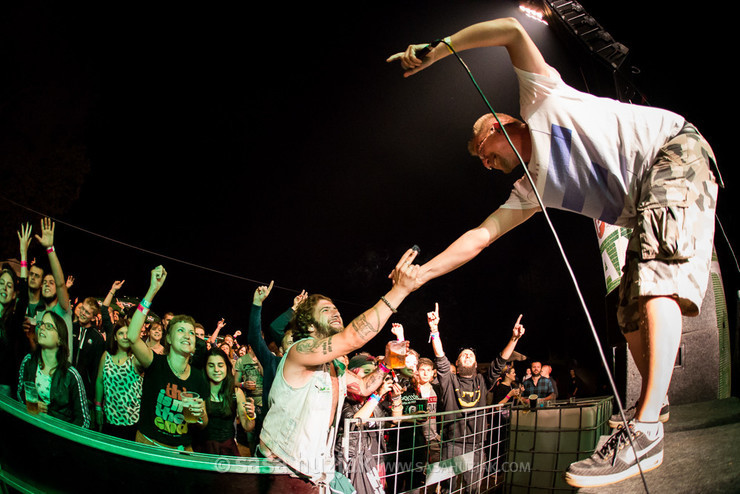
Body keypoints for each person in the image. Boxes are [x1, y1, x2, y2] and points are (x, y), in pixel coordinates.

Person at [387, 16, 718, 487]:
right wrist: (422, 275)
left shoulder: (541, 98)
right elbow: (481, 237)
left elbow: (510, 31)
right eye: (482, 161)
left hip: (672, 153)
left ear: (503, 125)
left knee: (655, 281)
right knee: (628, 310)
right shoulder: (529, 188)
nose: (486, 163)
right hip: (645, 195)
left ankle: (644, 430)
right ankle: (656, 401)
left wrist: (437, 51)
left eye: (484, 150)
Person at [258, 248, 422, 493]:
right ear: (311, 327)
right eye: (325, 310)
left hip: (313, 471)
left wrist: (386, 363)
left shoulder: (333, 367)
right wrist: (399, 291)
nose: (335, 312)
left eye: (336, 309)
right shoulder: (299, 351)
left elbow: (365, 386)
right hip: (282, 468)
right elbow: (352, 337)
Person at [427, 304, 525, 493]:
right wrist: (434, 329)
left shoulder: (482, 380)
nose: (468, 356)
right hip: (451, 444)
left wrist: (514, 339)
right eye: (464, 355)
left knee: (473, 489)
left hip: (477, 445)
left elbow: (499, 363)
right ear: (457, 362)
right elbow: (439, 356)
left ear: (475, 362)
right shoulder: (449, 380)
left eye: (471, 355)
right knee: (449, 489)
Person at [127, 266, 209, 451]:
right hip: (148, 445)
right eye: (180, 330)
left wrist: (200, 414)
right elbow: (132, 336)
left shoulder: (198, 378)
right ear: (169, 339)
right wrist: (152, 290)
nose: (188, 335)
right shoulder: (155, 363)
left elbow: (202, 423)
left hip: (181, 451)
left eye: (191, 333)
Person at [335, 354, 403, 494]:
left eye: (374, 374)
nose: (372, 379)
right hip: (354, 461)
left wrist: (396, 398)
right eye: (367, 373)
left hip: (377, 459)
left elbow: (394, 421)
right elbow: (357, 421)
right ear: (353, 374)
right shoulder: (344, 398)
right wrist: (377, 394)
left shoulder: (373, 400)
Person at [18, 310, 90, 427]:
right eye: (41, 324)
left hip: (58, 437)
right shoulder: (29, 362)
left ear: (60, 339)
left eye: (49, 326)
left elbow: (84, 420)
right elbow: (19, 394)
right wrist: (29, 405)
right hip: (31, 428)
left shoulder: (71, 375)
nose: (42, 328)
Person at [94, 317, 144, 440]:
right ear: (115, 337)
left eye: (128, 333)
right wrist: (98, 407)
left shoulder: (136, 359)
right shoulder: (106, 356)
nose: (125, 336)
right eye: (121, 333)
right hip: (110, 418)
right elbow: (100, 381)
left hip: (132, 422)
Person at [199, 346, 255, 456]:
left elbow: (247, 426)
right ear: (205, 367)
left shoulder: (236, 393)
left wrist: (251, 415)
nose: (216, 370)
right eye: (211, 365)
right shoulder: (200, 391)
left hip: (227, 449)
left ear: (227, 367)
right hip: (203, 449)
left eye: (220, 365)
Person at [33, 218, 74, 360]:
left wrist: (50, 249)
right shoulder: (39, 315)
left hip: (61, 377)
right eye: (44, 282)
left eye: (51, 283)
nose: (46, 284)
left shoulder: (63, 309)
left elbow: (61, 284)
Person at [0, 224, 33, 397]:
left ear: (14, 295)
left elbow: (25, 298)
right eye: (1, 283)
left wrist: (23, 254)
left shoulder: (12, 321)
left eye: (9, 285)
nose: (4, 288)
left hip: (3, 388)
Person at [71, 296, 106, 411]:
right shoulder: (70, 328)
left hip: (84, 390)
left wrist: (93, 397)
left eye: (87, 312)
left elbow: (96, 369)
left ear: (93, 317)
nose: (83, 313)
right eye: (82, 309)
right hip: (66, 383)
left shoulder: (97, 338)